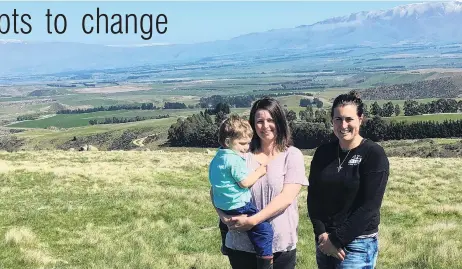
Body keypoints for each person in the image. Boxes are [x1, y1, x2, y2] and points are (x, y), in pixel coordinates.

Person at [214, 97, 308, 269]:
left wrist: (253, 221)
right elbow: (216, 189)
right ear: (252, 124)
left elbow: (286, 198)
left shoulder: (292, 156)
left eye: (271, 120)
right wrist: (224, 217)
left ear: (280, 122)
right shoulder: (239, 154)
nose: (265, 126)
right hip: (240, 245)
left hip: (280, 246)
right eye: (260, 121)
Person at [307, 90, 389, 269]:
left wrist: (336, 240)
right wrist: (321, 234)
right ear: (332, 121)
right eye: (338, 119)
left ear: (360, 119)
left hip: (357, 244)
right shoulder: (323, 153)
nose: (343, 125)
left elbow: (369, 207)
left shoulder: (373, 154)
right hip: (324, 242)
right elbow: (313, 197)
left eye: (349, 119)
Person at [209, 114, 274, 268]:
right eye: (242, 143)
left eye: (248, 143)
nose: (246, 148)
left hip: (222, 203)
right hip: (238, 203)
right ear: (227, 142)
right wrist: (259, 172)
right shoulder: (234, 159)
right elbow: (244, 183)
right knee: (264, 230)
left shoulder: (217, 157)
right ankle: (265, 260)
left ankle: (225, 242)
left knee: (226, 223)